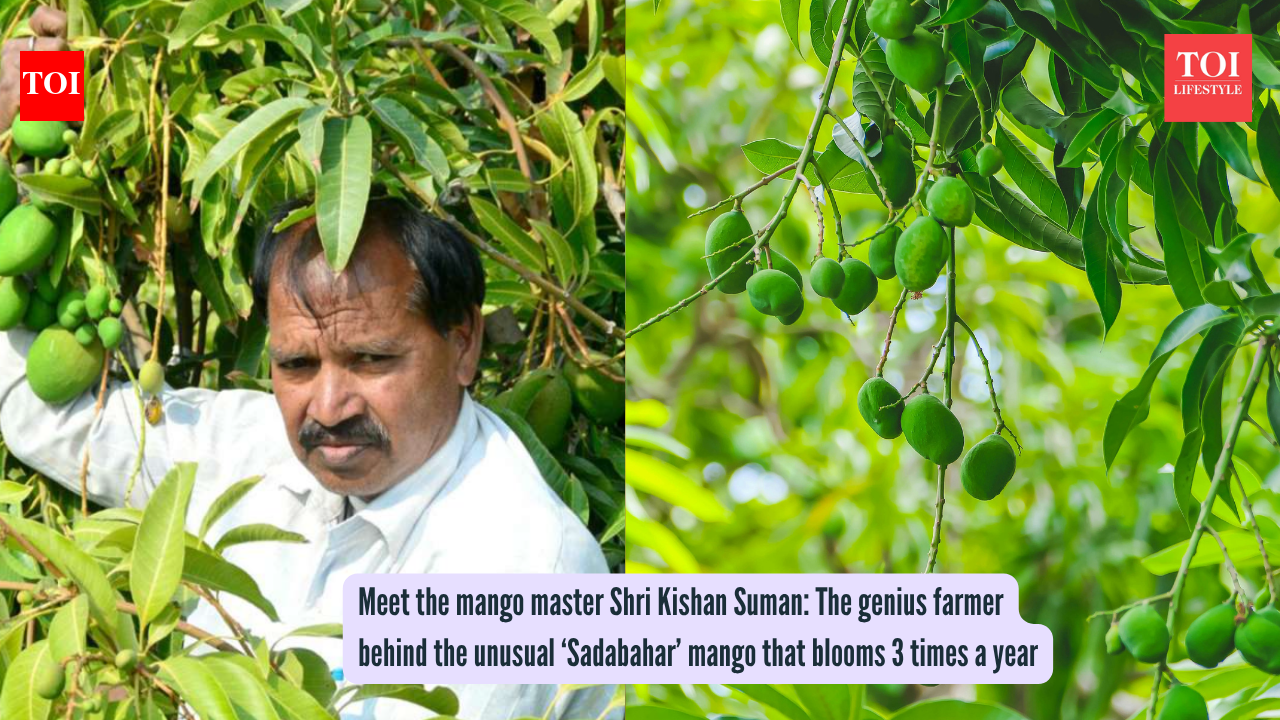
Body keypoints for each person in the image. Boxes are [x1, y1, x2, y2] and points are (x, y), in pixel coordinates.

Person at [0, 10, 614, 719]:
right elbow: (45, 411)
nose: (327, 407)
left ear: (464, 344)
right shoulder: (252, 447)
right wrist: (50, 91)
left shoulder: (516, 570)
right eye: (295, 364)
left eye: (372, 359)